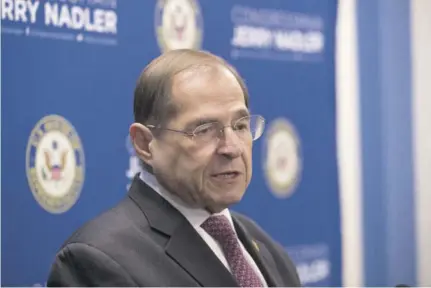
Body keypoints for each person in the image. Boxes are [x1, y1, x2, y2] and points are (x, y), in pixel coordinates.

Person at [47, 49, 301, 287]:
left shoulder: (266, 247)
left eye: (240, 126)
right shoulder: (96, 259)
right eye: (204, 129)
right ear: (145, 144)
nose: (232, 148)